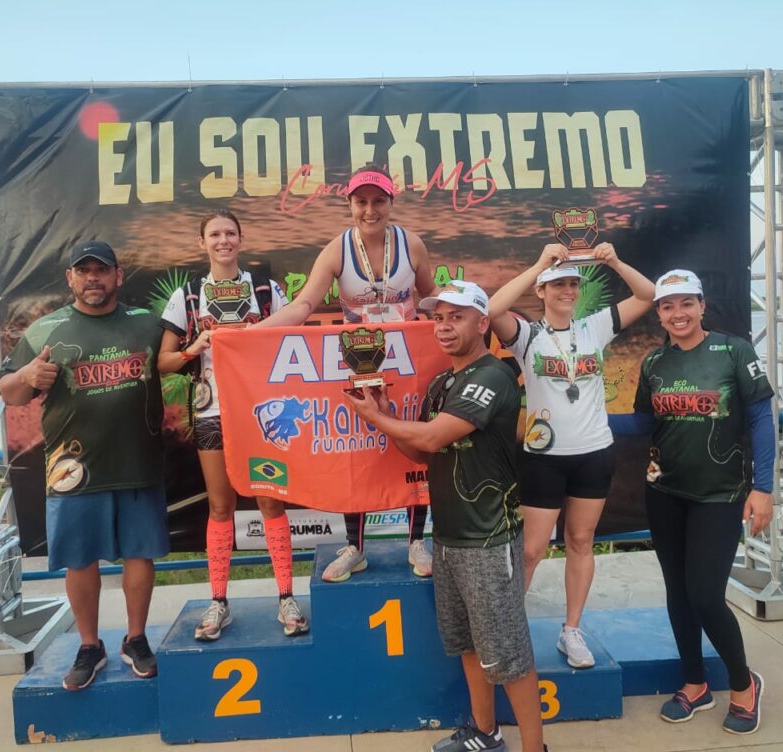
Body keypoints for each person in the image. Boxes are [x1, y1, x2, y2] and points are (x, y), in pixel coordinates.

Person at [345, 282, 546, 752]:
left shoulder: (493, 375)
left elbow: (435, 438)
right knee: (468, 645)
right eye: (438, 318)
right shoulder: (442, 383)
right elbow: (418, 448)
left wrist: (376, 420)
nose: (444, 326)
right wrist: (388, 412)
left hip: (490, 539)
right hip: (450, 537)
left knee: (510, 656)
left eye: (456, 317)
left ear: (482, 323)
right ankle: (485, 732)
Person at [0, 241, 167, 691]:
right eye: (84, 270)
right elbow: (9, 391)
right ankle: (90, 645)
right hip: (73, 468)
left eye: (102, 269)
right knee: (79, 559)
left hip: (138, 460)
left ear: (118, 276)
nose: (93, 277)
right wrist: (27, 377)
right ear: (70, 278)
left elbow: (185, 361)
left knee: (139, 554)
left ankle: (136, 638)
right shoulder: (45, 331)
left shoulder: (147, 325)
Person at [260, 166, 438, 583]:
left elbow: (431, 297)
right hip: (358, 362)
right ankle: (356, 546)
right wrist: (250, 334)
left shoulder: (411, 244)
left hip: (407, 362)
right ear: (350, 205)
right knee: (354, 450)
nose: (370, 210)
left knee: (412, 443)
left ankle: (416, 540)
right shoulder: (336, 250)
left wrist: (468, 318)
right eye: (362, 202)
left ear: (391, 203)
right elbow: (304, 306)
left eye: (379, 201)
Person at [488, 242, 654, 668]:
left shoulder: (594, 328)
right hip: (544, 457)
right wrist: (539, 264)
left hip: (593, 453)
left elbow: (647, 295)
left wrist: (615, 261)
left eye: (571, 284)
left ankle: (572, 630)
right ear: (541, 292)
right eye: (556, 284)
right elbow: (490, 311)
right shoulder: (527, 336)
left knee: (581, 541)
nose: (566, 290)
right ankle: (508, 627)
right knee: (531, 550)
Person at [633, 269, 774, 735]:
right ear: (658, 313)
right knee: (678, 593)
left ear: (702, 305)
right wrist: (567, 427)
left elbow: (760, 421)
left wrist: (764, 488)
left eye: (686, 303)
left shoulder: (734, 351)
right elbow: (639, 425)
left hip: (721, 494)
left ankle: (742, 685)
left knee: (706, 595)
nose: (678, 314)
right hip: (664, 492)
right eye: (668, 306)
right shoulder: (654, 363)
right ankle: (694, 684)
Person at [158, 210, 308, 641]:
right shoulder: (188, 295)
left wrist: (258, 336)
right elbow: (163, 362)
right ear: (201, 242)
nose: (223, 241)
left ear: (241, 240)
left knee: (270, 504)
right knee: (220, 508)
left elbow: (293, 338)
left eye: (230, 233)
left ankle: (286, 596)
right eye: (215, 234)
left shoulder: (265, 289)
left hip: (261, 412)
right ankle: (218, 602)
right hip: (212, 413)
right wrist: (195, 347)